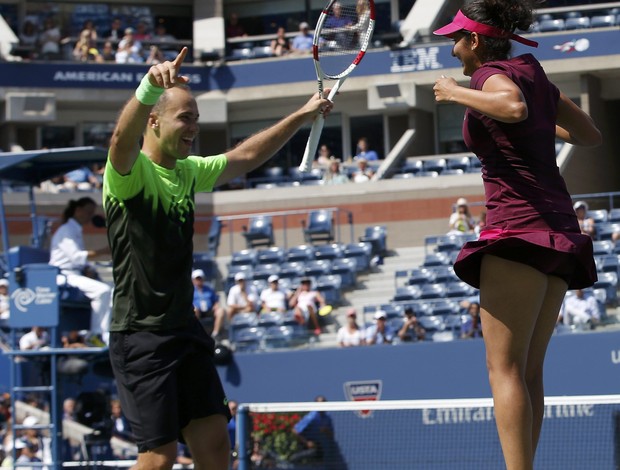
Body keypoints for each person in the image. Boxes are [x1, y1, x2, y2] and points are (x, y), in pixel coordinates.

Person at [103, 46, 333, 469]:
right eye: (184, 118)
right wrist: (149, 87)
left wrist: (301, 115)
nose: (193, 128)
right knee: (159, 457)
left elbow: (246, 156)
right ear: (153, 120)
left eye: (196, 119)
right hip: (141, 335)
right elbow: (120, 139)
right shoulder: (129, 175)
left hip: (184, 330)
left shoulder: (188, 171)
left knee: (213, 446)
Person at [432, 2, 602, 469]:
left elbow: (510, 105)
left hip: (517, 228)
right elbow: (589, 135)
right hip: (559, 230)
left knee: (503, 370)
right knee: (527, 371)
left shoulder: (488, 77)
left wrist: (456, 93)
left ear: (476, 42)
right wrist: (542, 118)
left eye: (456, 38)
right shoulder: (533, 72)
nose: (451, 45)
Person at [49, 197, 112, 343]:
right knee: (102, 291)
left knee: (112, 291)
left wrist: (87, 269)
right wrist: (104, 251)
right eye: (88, 212)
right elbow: (76, 257)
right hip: (63, 276)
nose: (90, 216)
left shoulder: (75, 230)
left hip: (74, 274)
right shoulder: (66, 230)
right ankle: (97, 335)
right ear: (78, 210)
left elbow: (78, 261)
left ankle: (107, 333)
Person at [192, 269, 225, 339]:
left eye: (200, 278)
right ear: (193, 280)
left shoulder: (209, 289)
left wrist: (216, 306)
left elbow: (216, 301)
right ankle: (195, 332)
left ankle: (215, 333)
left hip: (210, 310)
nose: (199, 280)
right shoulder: (191, 291)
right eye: (197, 279)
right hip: (198, 312)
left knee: (221, 311)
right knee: (194, 311)